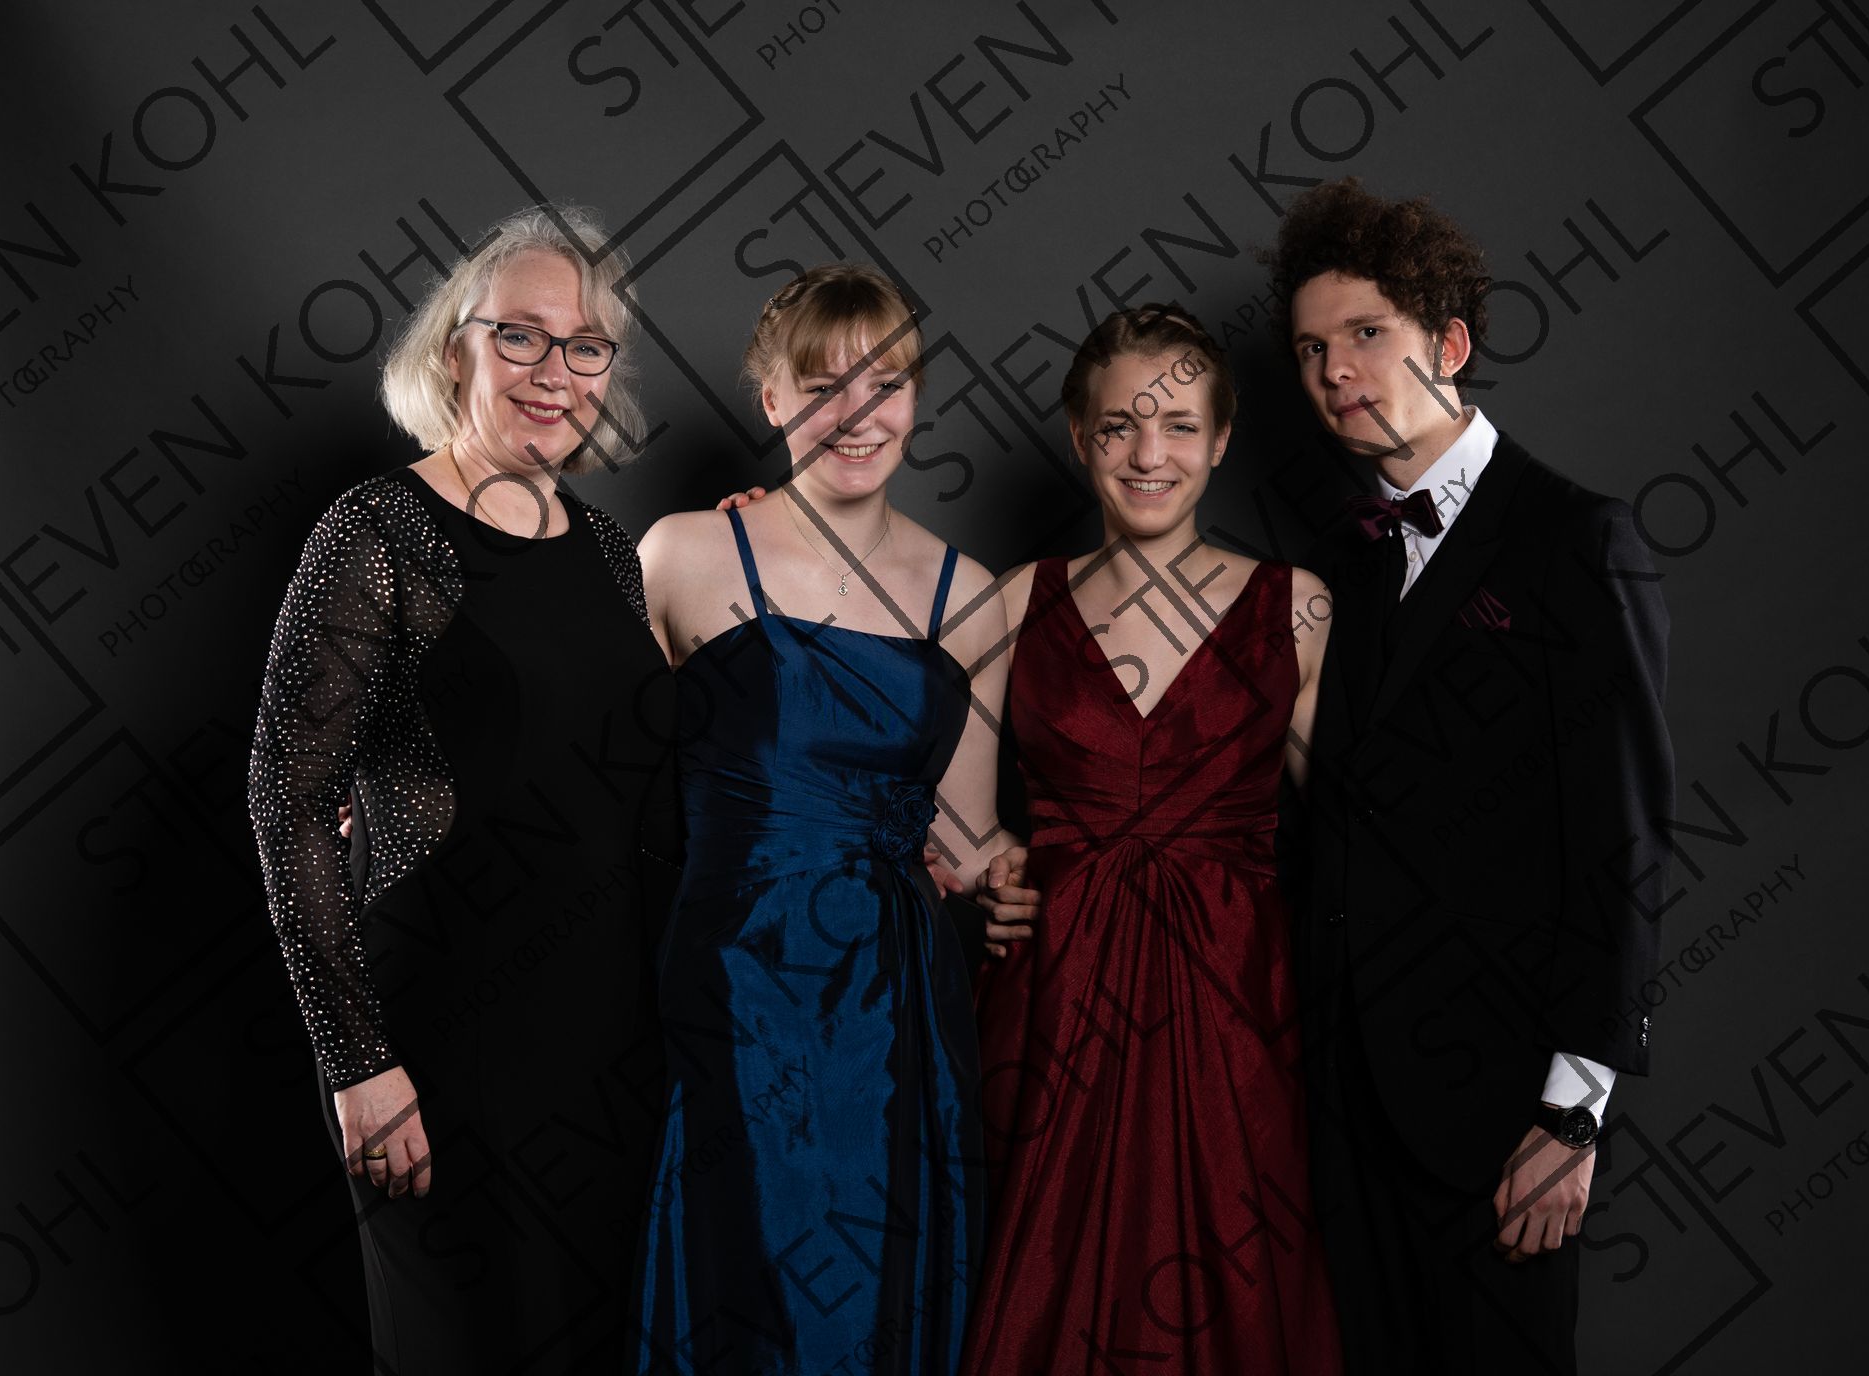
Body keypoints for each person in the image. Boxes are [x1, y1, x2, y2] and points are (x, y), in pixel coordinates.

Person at [246, 205, 677, 1372]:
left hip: (608, 1040)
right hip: (439, 1036)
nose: (555, 371)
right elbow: (288, 799)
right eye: (520, 335)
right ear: (455, 349)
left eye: (585, 345)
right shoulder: (378, 530)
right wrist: (357, 1062)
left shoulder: (605, 544)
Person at [1264, 178, 1673, 1374]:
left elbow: (1626, 834)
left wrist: (1573, 1110)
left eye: (1365, 333)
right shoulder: (1339, 557)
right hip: (1343, 1098)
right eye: (1311, 349)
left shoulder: (1577, 538)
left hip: (1501, 1108)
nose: (1336, 369)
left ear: (1449, 343)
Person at [631, 264, 1021, 1374]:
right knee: (746, 1279)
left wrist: (1046, 871)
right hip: (734, 988)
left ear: (918, 398)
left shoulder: (969, 594)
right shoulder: (681, 555)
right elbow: (590, 773)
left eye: (885, 384)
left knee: (877, 1291)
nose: (858, 413)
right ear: (771, 399)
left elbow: (968, 838)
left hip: (897, 1007)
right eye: (822, 385)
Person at [959, 305, 1343, 1374]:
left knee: (1240, 1280)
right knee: (1044, 1279)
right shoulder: (1013, 602)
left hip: (1237, 1000)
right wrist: (983, 869)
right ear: (1080, 439)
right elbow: (930, 798)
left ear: (1220, 441)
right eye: (1120, 426)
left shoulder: (1297, 608)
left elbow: (1361, 832)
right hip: (1055, 999)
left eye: (1177, 426)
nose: (1148, 454)